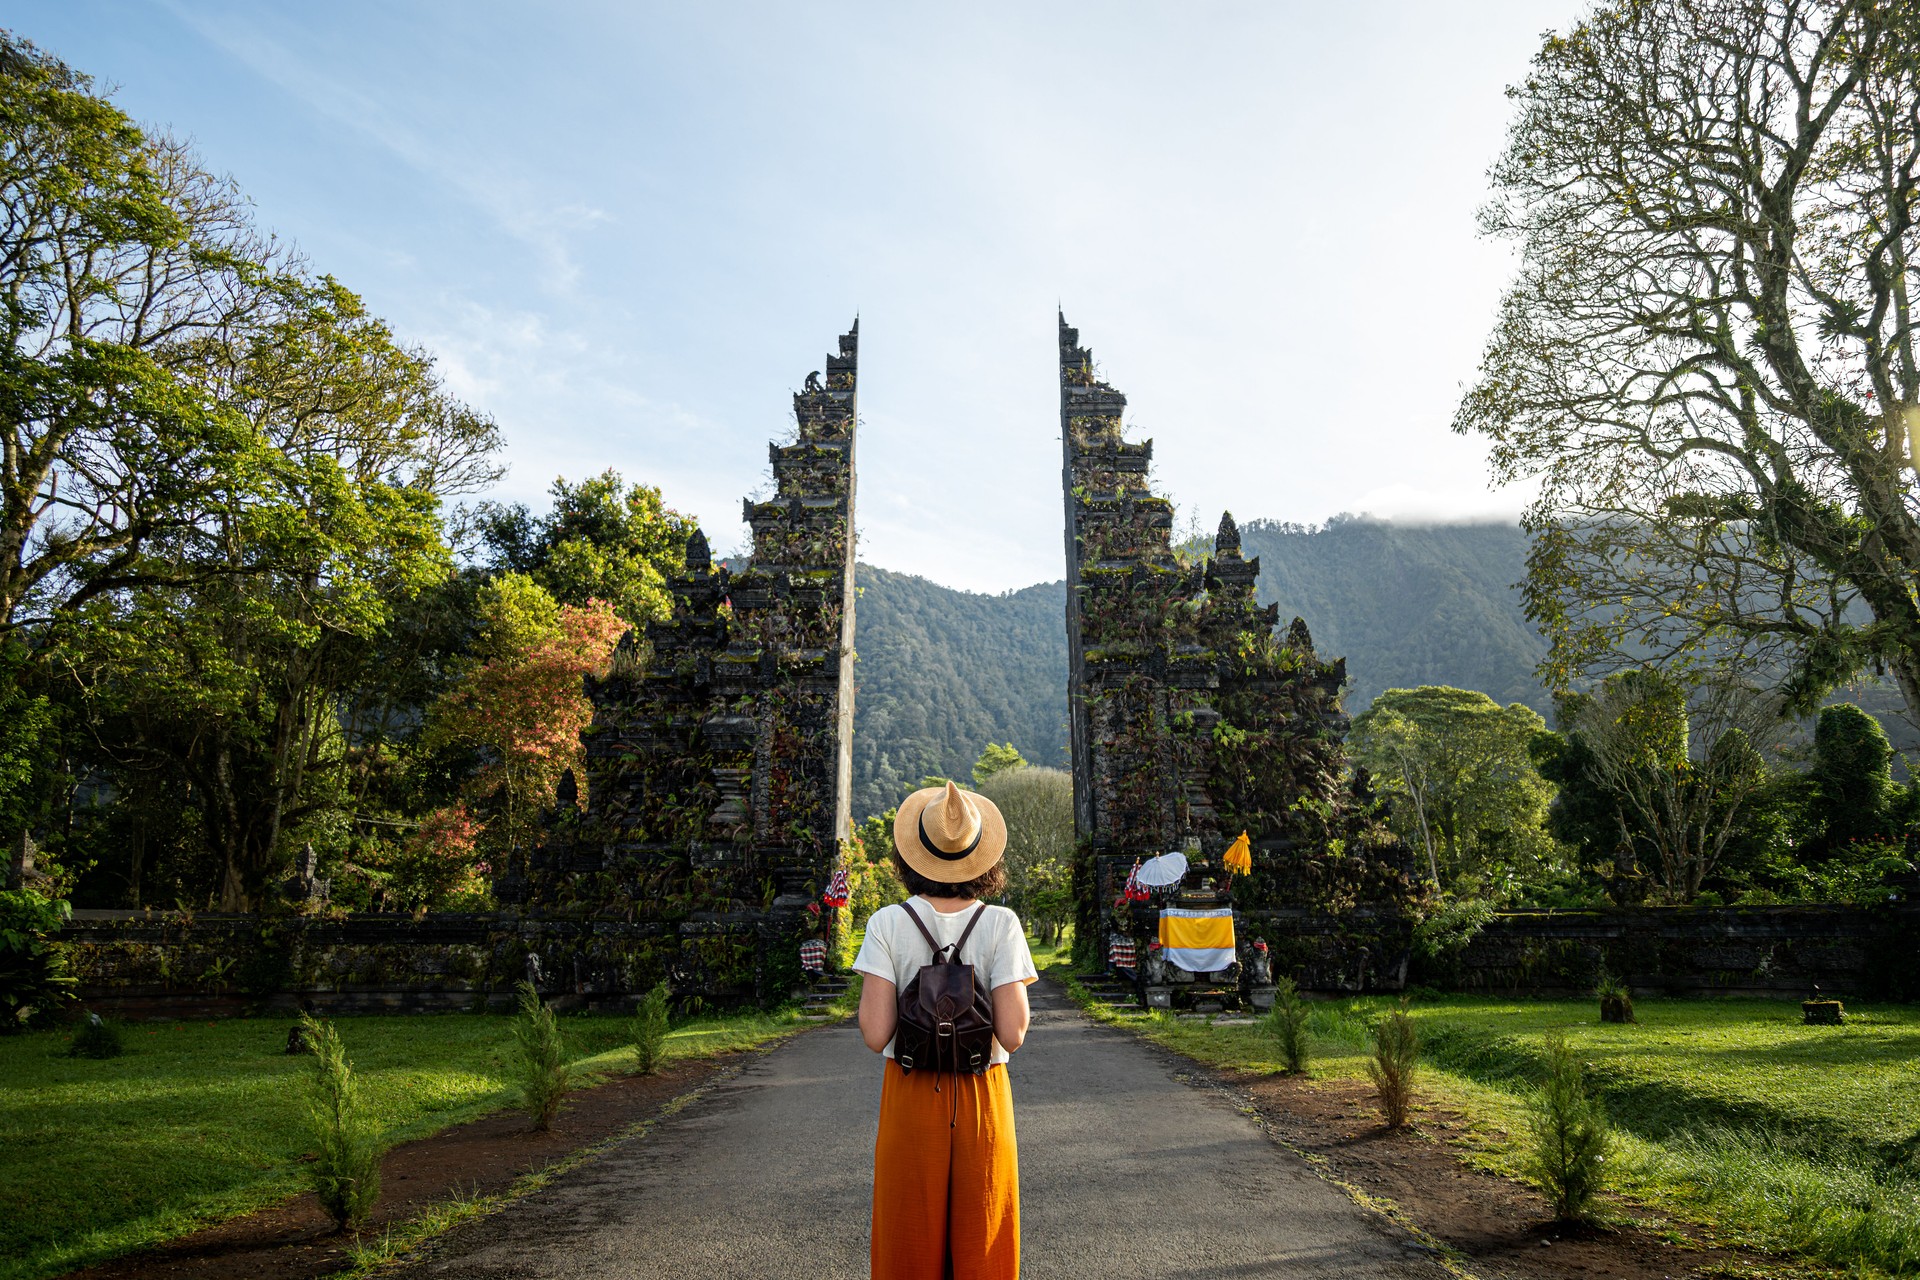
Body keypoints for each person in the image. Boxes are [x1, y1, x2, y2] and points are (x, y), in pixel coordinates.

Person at [854, 781, 1038, 1280]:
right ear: (981, 856)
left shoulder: (887, 923)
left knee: (907, 1241)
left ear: (913, 855)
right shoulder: (1002, 923)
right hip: (982, 1095)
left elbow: (875, 1034)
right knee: (985, 1239)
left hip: (911, 1092)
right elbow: (1013, 1032)